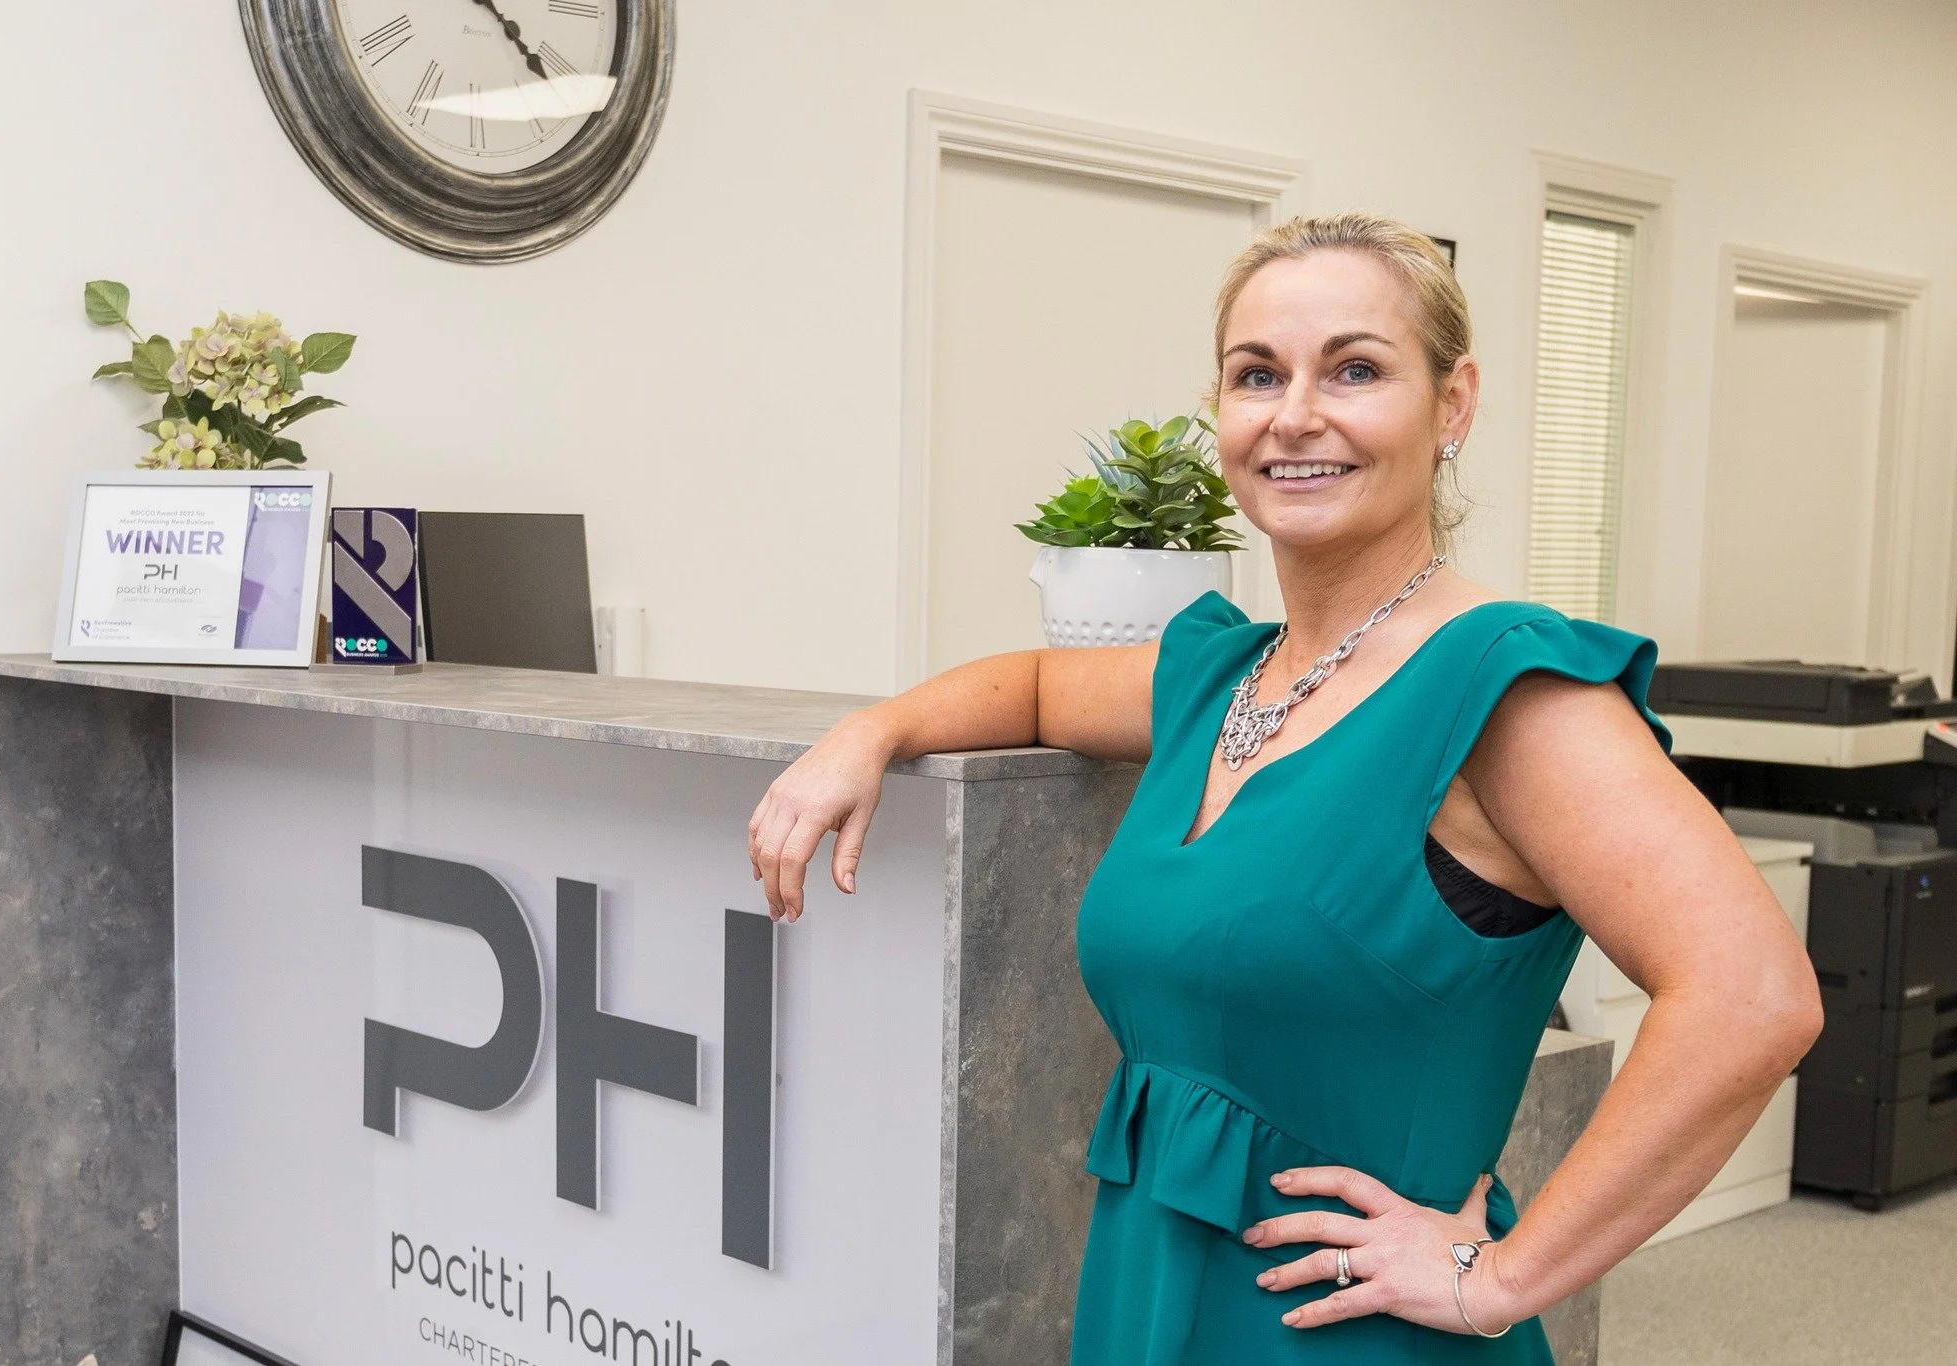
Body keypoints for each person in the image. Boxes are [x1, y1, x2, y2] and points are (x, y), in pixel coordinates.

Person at [745, 212, 1823, 1363]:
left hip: (1349, 1329)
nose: (1294, 414)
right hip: (1149, 1294)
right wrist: (870, 731)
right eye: (1256, 374)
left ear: (1451, 405)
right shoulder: (1223, 673)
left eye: (1354, 369)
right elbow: (1038, 685)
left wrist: (1499, 1279)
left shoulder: (1502, 690)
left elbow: (1752, 998)